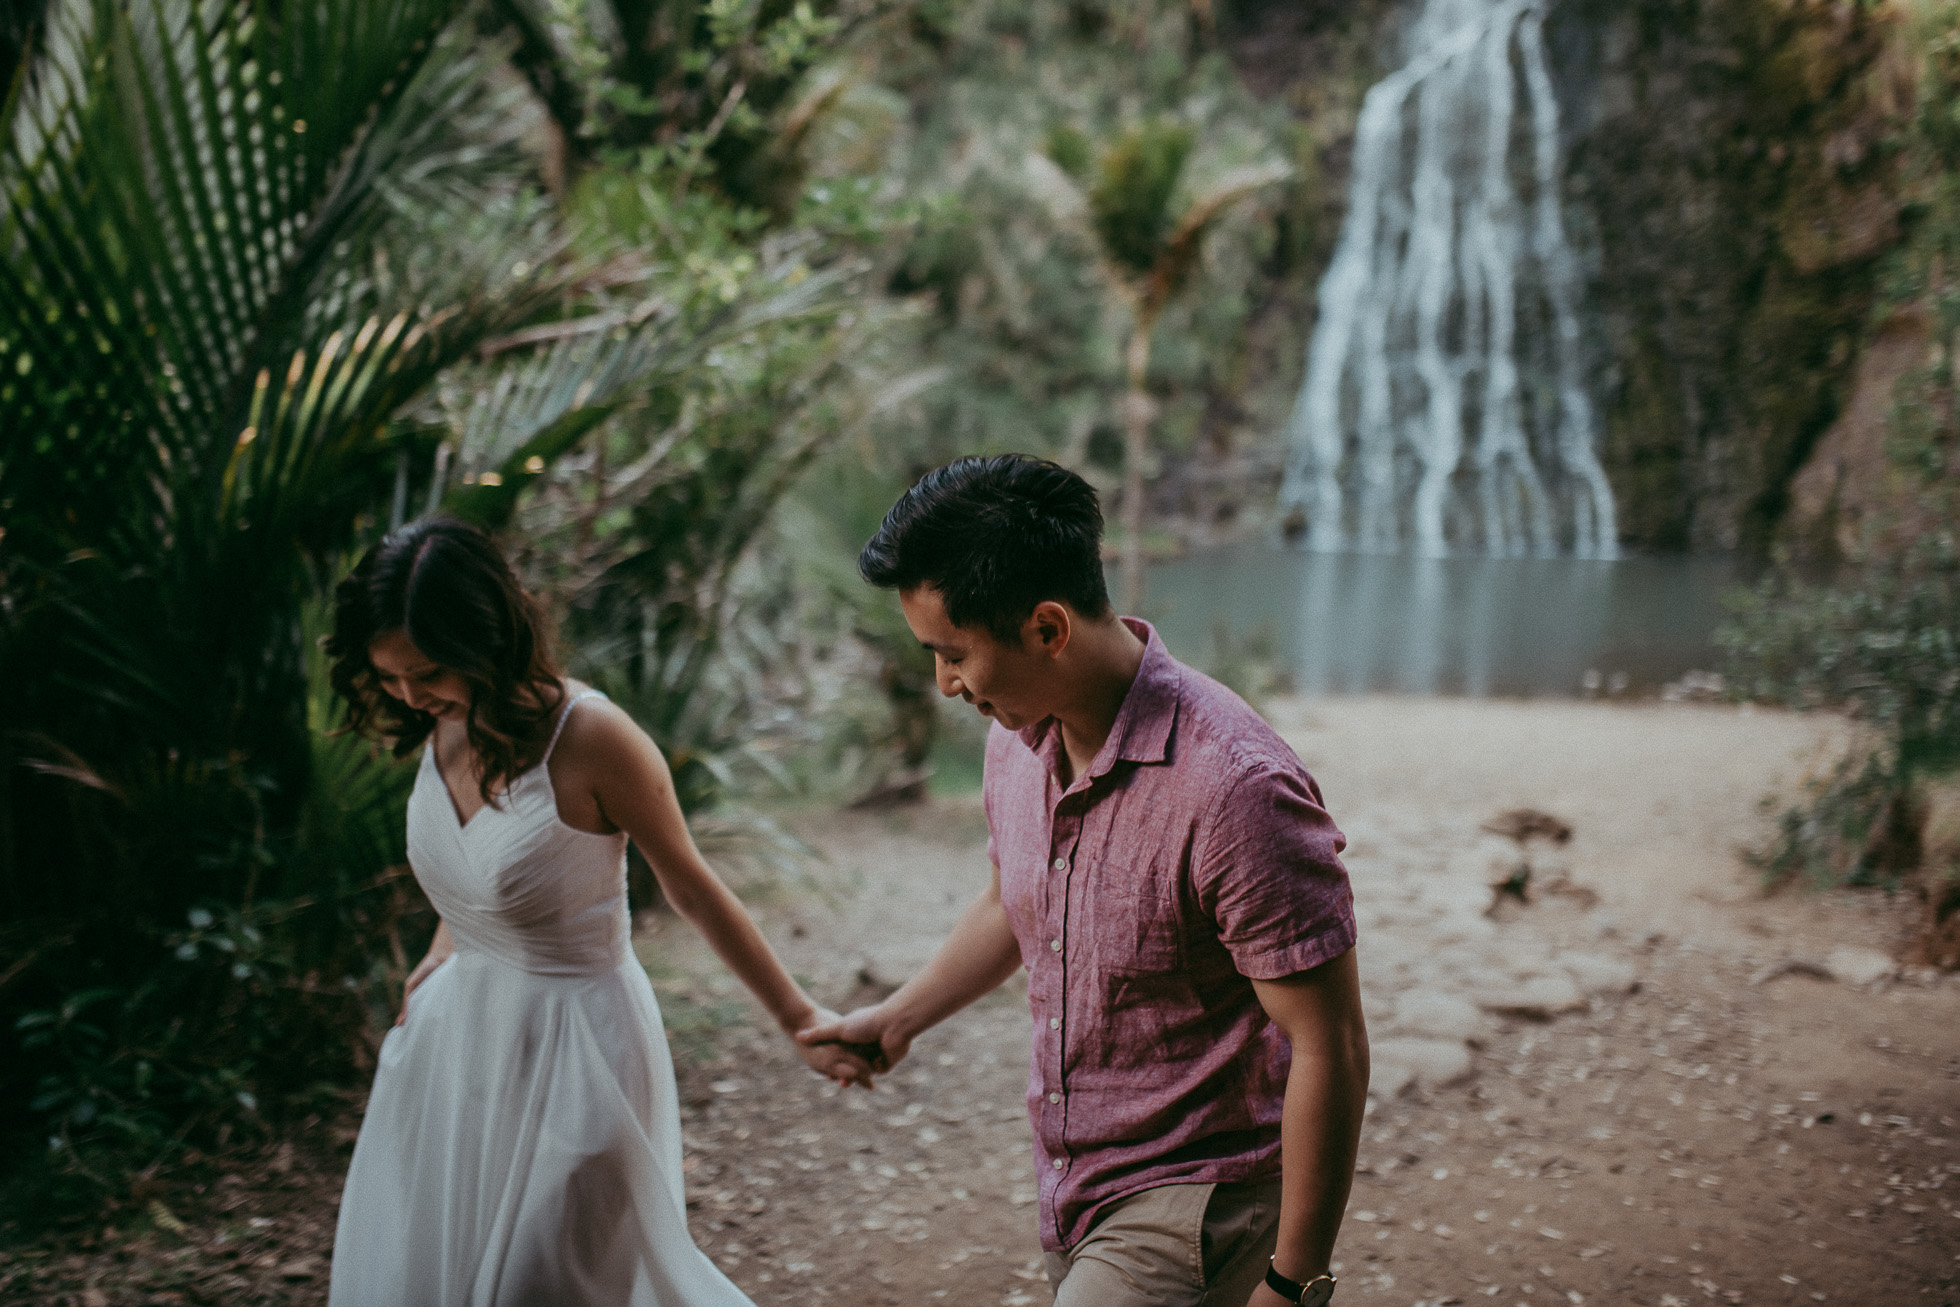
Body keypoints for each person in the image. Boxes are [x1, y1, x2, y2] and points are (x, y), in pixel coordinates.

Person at [800, 455, 1370, 1307]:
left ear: (1047, 628)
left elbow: (1333, 1043)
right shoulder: (1017, 737)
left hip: (1202, 1198)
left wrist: (1294, 1284)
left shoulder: (1237, 788)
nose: (944, 684)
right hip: (1077, 1189)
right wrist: (896, 1020)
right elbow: (1012, 902)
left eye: (952, 655)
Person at [324, 518, 870, 1307]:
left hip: (582, 1045)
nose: (409, 695)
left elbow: (690, 886)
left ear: (486, 638)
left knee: (540, 1284)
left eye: (428, 671)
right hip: (458, 1046)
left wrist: (799, 1018)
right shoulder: (442, 720)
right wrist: (447, 943)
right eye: (391, 677)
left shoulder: (595, 738)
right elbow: (480, 867)